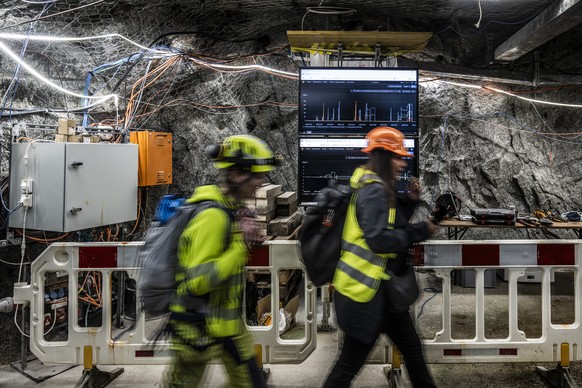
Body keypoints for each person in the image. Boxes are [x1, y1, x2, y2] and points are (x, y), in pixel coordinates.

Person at [323, 126, 439, 388]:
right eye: (398, 157)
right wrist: (422, 229)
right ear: (384, 156)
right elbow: (378, 240)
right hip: (365, 296)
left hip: (381, 292)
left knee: (412, 350)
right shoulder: (374, 190)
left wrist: (408, 202)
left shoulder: (373, 185)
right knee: (347, 367)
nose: (402, 162)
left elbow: (386, 226)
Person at [164, 134, 277, 388]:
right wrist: (241, 245)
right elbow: (200, 281)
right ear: (236, 175)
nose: (261, 183)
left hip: (225, 327)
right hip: (196, 328)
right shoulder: (213, 216)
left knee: (251, 383)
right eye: (257, 176)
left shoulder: (227, 208)